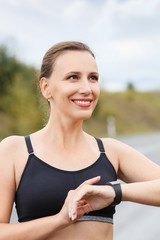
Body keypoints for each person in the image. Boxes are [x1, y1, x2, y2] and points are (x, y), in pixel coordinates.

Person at [0, 41, 160, 240]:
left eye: (93, 78)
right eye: (73, 77)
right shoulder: (14, 150)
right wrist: (59, 220)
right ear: (46, 87)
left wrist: (114, 192)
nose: (87, 88)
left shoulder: (110, 152)